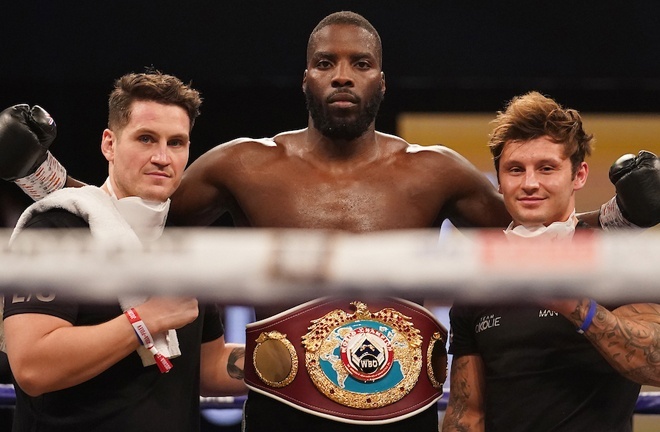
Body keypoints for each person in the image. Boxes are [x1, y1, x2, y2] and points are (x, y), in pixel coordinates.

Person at [0, 11, 658, 432]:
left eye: (360, 64)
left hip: (399, 416)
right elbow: (126, 217)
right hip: (282, 412)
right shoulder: (245, 166)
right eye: (326, 64)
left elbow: (541, 235)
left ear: (381, 80)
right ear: (306, 78)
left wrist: (628, 213)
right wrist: (40, 172)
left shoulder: (438, 172)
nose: (343, 76)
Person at [0, 71, 246, 432]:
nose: (163, 157)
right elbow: (34, 367)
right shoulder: (56, 227)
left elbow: (208, 368)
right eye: (146, 139)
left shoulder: (181, 242)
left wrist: (303, 359)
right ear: (109, 144)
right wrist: (145, 320)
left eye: (176, 143)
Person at [442, 91, 660, 432]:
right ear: (498, 180)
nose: (530, 183)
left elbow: (656, 364)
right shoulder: (480, 275)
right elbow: (466, 413)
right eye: (515, 169)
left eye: (547, 168)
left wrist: (573, 303)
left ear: (579, 175)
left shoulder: (616, 257)